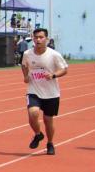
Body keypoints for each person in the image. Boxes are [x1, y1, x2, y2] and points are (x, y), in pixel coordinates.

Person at [22, 27, 68, 156]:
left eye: (41, 37)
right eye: (36, 37)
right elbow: (24, 65)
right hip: (34, 90)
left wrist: (53, 75)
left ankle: (50, 143)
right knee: (33, 113)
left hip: (51, 93)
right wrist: (25, 76)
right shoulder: (27, 54)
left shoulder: (54, 55)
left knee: (48, 120)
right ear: (33, 39)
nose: (38, 40)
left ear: (46, 39)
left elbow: (64, 69)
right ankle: (38, 134)